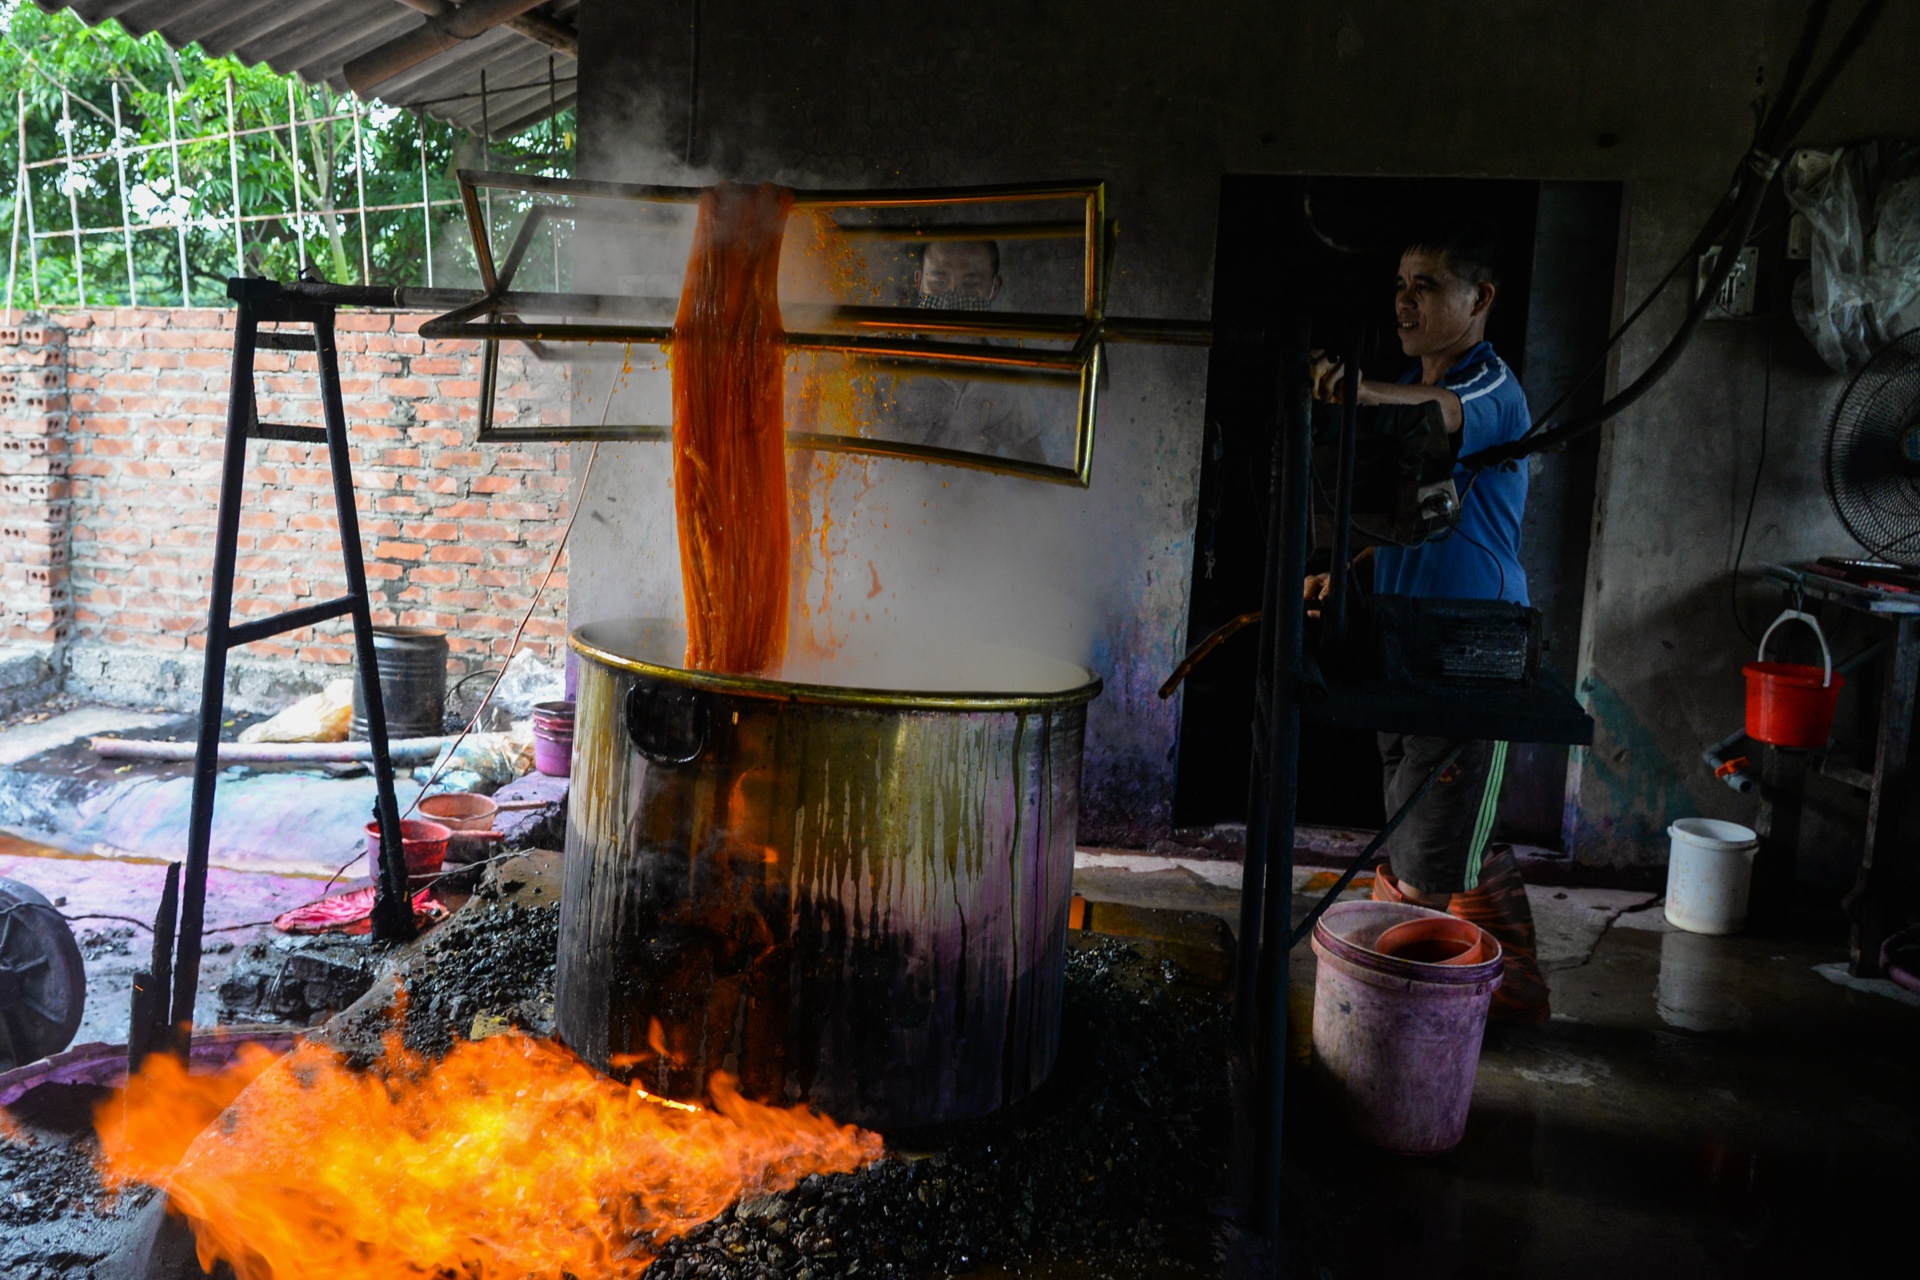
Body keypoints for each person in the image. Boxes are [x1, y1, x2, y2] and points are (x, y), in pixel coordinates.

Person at [1307, 224, 1549, 1023]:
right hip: (1405, 643)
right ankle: (1507, 998)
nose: (1405, 300)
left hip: (1470, 654)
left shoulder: (1487, 389)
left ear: (1479, 301)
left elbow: (1444, 412)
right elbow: (1422, 526)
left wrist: (1359, 391)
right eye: (1401, 283)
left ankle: (1409, 1018)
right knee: (1429, 826)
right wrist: (1347, 573)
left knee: (1427, 854)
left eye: (1427, 285)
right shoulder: (1412, 396)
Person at [885, 238, 1048, 463]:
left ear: (995, 288)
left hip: (972, 498)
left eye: (971, 283)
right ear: (919, 281)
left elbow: (1035, 477)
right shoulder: (880, 359)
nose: (953, 296)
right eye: (939, 279)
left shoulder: (1005, 380)